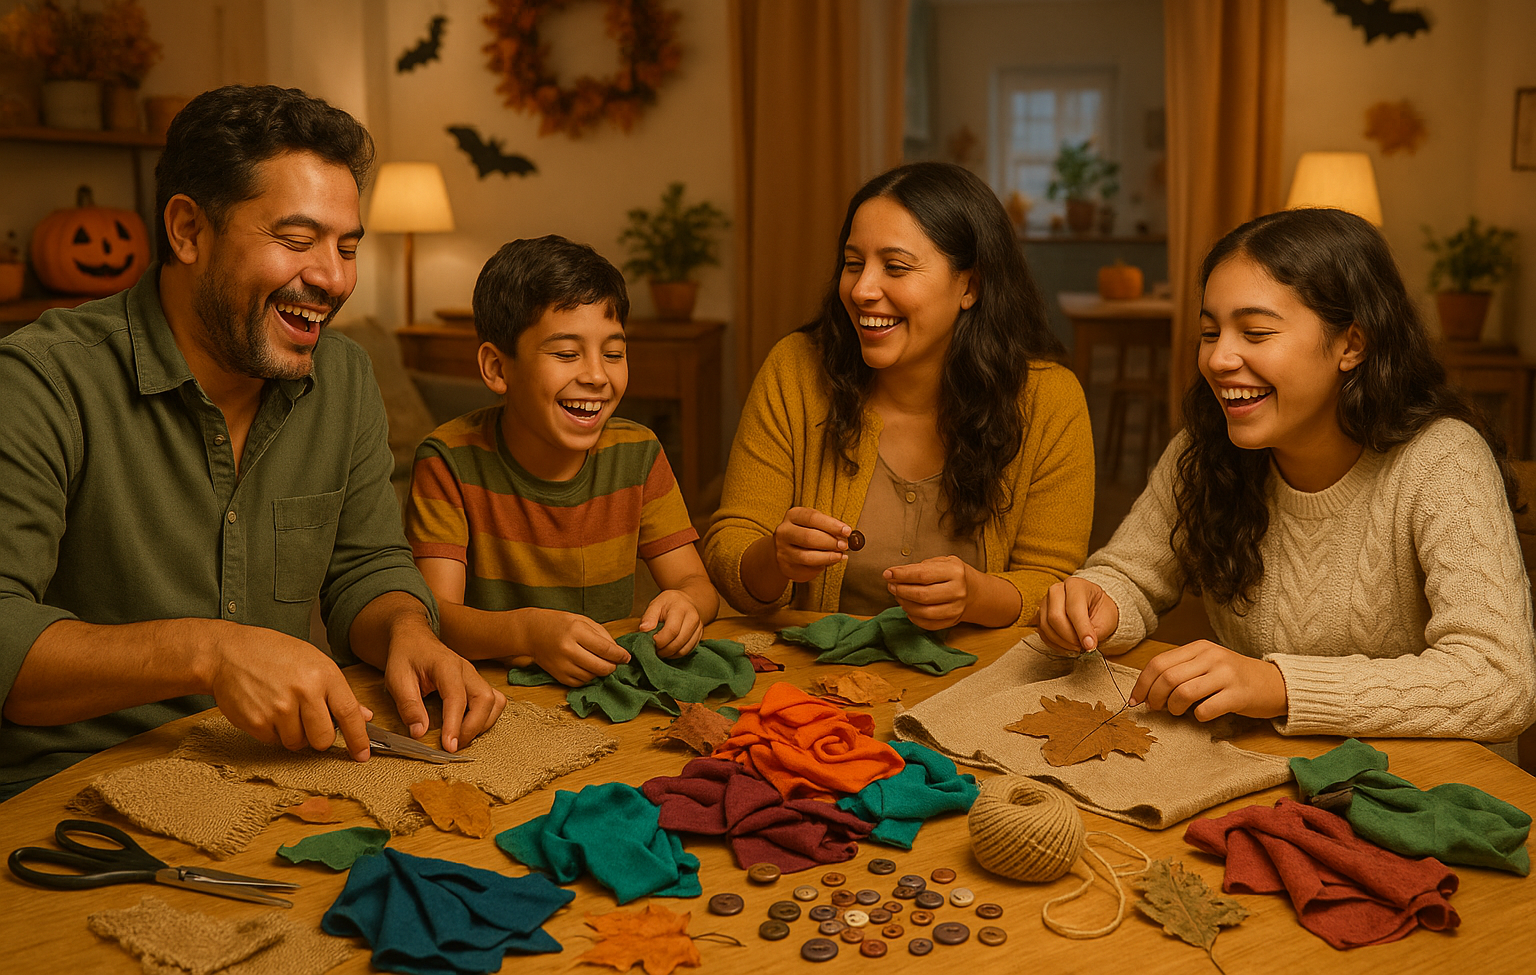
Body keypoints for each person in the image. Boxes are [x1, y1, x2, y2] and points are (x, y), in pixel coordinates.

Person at [0, 85, 506, 800]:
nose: (332, 278)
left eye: (347, 246)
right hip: (66, 799)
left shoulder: (345, 375)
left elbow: (366, 564)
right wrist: (208, 653)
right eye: (297, 241)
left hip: (265, 780)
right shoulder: (41, 383)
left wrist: (407, 632)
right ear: (187, 231)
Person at [1035, 207, 1536, 749]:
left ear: (1352, 344)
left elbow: (1500, 681)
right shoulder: (1205, 448)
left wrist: (1279, 684)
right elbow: (1131, 575)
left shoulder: (1443, 460)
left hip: (1427, 792)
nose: (1219, 358)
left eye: (1255, 331)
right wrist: (1097, 602)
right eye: (1210, 331)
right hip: (1269, 767)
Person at [703, 162, 1094, 631]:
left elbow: (1054, 584)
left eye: (895, 267)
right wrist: (775, 558)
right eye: (853, 264)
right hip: (818, 680)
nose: (863, 290)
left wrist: (978, 597)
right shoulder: (796, 370)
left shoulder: (1048, 399)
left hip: (978, 683)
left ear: (970, 285)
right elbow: (730, 548)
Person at [404, 236, 718, 687]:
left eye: (614, 353)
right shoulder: (449, 461)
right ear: (497, 368)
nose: (595, 375)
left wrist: (687, 604)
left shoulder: (639, 452)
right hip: (499, 694)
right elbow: (437, 617)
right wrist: (528, 633)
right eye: (567, 354)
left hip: (609, 688)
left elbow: (696, 583)